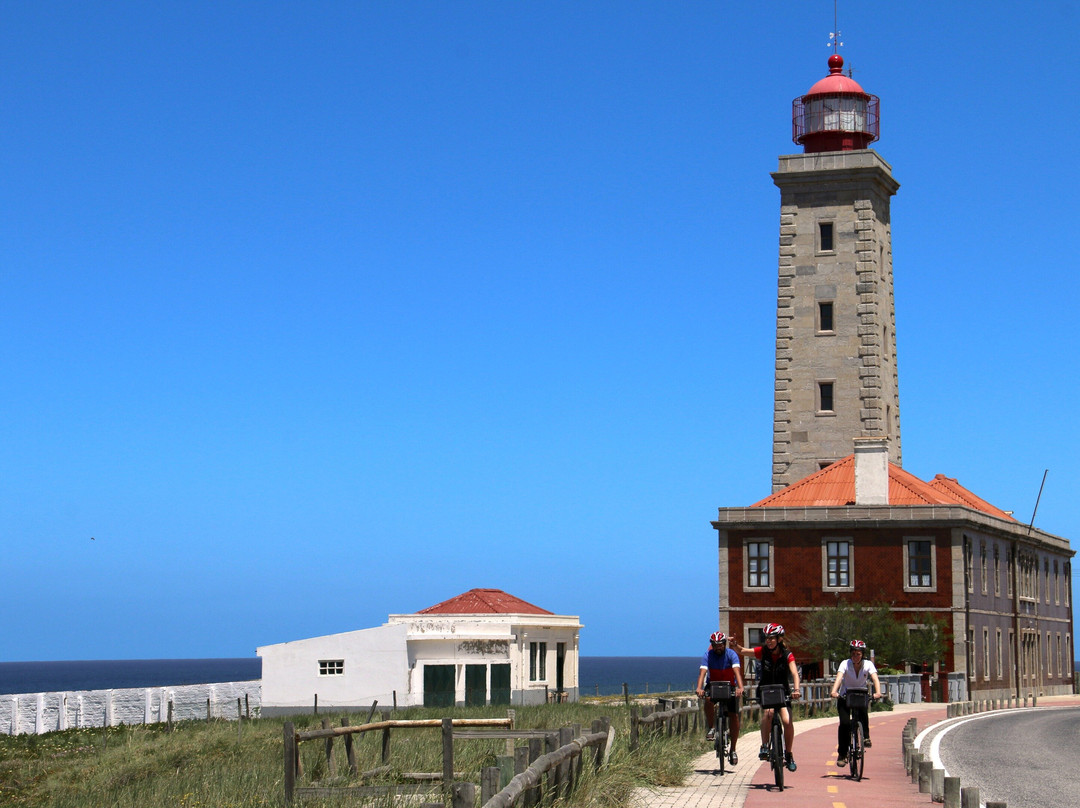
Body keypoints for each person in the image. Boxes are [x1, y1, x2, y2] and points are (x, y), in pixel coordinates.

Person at [730, 623, 801, 772]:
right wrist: (735, 645)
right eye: (766, 638)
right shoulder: (762, 652)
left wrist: (796, 689)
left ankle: (788, 754)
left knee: (787, 721)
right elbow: (743, 651)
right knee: (768, 713)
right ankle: (764, 745)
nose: (768, 641)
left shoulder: (787, 654)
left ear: (779, 639)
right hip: (766, 690)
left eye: (772, 638)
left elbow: (794, 673)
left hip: (782, 691)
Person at [829, 639, 883, 766]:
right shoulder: (845, 664)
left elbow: (875, 678)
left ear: (862, 655)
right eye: (853, 654)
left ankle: (866, 737)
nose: (855, 657)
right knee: (844, 723)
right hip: (845, 696)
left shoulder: (868, 664)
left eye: (858, 654)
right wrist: (834, 691)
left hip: (860, 694)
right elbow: (839, 677)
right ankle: (842, 754)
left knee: (863, 713)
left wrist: (878, 692)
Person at [695, 631, 744, 765]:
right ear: (712, 645)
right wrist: (699, 688)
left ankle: (733, 749)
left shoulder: (731, 654)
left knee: (734, 715)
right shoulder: (708, 655)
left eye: (721, 645)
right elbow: (702, 673)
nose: (718, 647)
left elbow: (736, 672)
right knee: (708, 699)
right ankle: (711, 727)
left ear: (724, 644)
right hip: (713, 685)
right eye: (715, 645)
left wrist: (740, 687)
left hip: (730, 686)